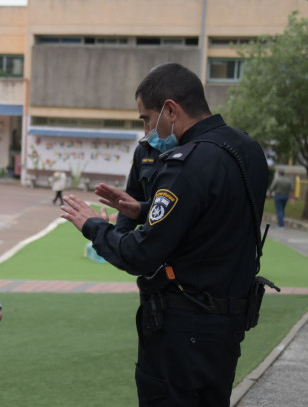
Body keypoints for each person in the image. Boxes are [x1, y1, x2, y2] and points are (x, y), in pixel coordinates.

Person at [60, 63, 269, 406]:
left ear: (171, 109)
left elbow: (140, 255)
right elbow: (212, 219)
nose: (145, 132)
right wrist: (142, 210)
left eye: (146, 118)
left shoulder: (185, 163)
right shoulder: (248, 150)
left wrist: (93, 227)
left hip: (182, 331)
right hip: (227, 327)